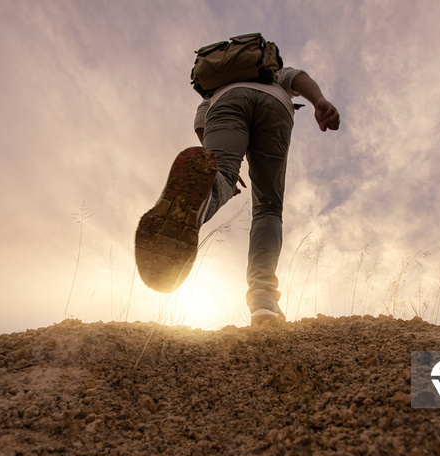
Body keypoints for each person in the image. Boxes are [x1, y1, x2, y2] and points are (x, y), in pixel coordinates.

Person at [135, 62, 340, 326]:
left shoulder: (218, 85)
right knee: (268, 207)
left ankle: (207, 192)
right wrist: (319, 101)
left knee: (220, 176)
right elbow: (298, 78)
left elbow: (202, 122)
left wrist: (217, 171)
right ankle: (263, 297)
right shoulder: (274, 73)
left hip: (227, 102)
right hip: (275, 105)